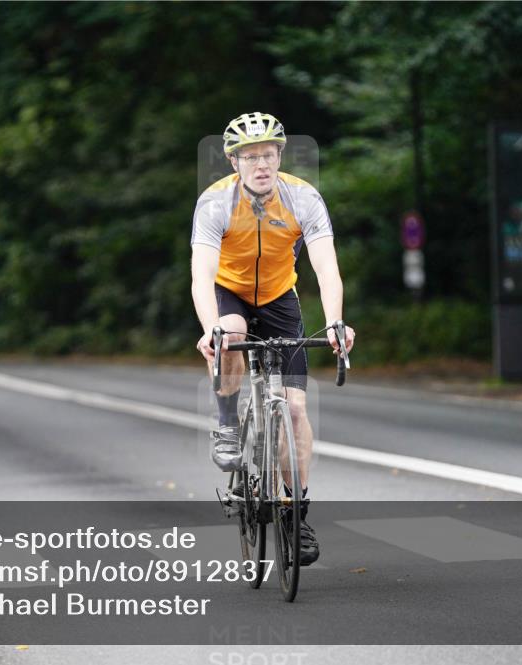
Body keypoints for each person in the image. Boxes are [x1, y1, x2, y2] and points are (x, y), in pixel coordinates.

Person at [190, 112, 355, 565]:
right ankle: (227, 423)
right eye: (250, 157)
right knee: (233, 333)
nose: (260, 164)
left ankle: (294, 512)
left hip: (281, 297)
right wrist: (211, 328)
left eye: (268, 154)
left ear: (280, 156)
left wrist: (337, 322)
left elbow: (326, 268)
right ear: (233, 162)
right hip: (230, 292)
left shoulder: (303, 198)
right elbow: (201, 276)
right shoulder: (215, 203)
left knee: (297, 408)